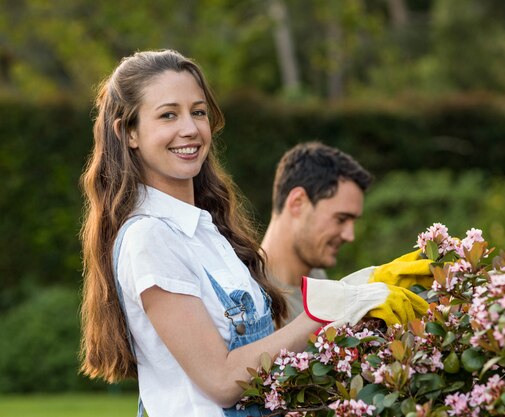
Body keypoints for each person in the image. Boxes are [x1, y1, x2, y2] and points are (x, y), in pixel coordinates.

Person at [78, 49, 428, 417]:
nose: (190, 129)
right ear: (128, 132)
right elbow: (222, 379)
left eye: (198, 112)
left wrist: (357, 291)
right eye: (168, 115)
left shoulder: (205, 229)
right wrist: (324, 312)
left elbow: (264, 355)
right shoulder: (150, 237)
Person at [261, 142, 372, 323]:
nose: (350, 236)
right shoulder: (249, 298)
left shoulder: (318, 280)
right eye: (341, 219)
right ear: (298, 203)